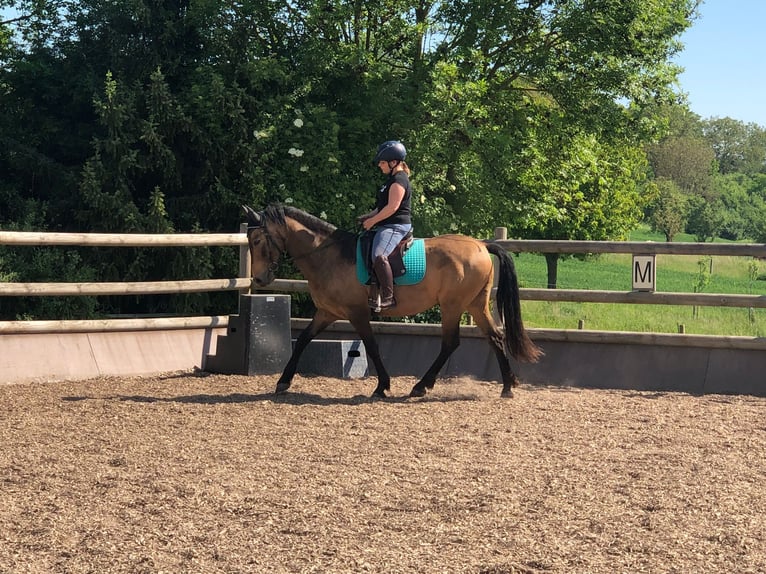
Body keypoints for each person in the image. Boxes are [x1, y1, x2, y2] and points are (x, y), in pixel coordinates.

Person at [357, 140, 413, 311]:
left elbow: (393, 207)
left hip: (396, 226)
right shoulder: (390, 180)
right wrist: (368, 216)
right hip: (387, 224)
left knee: (379, 255)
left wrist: (373, 221)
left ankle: (389, 297)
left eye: (382, 162)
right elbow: (382, 207)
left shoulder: (399, 179)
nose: (380, 165)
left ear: (393, 162)